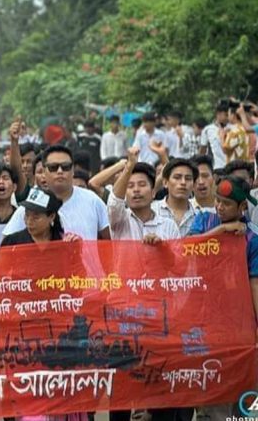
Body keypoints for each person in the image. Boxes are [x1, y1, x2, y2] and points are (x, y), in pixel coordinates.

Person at [187, 175, 258, 420]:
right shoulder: (203, 220)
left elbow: (254, 284)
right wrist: (222, 229)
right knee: (210, 386)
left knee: (240, 385)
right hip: (204, 319)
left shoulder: (251, 241)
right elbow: (186, 247)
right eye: (217, 200)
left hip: (238, 323)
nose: (219, 207)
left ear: (242, 207)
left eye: (226, 203)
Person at [4, 146, 110, 240]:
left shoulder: (92, 199)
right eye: (53, 167)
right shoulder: (32, 204)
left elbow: (111, 238)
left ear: (73, 170)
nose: (60, 171)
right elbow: (7, 242)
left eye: (65, 167)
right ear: (44, 172)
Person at [108, 147, 180, 241]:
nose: (136, 190)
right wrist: (129, 166)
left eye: (142, 185)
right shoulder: (119, 220)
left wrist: (162, 247)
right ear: (125, 194)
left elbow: (177, 254)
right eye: (130, 186)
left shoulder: (169, 226)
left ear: (153, 192)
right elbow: (114, 203)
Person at [1, 188, 80, 246]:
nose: (29, 221)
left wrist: (75, 248)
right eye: (27, 215)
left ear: (51, 216)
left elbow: (76, 267)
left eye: (36, 217)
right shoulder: (12, 243)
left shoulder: (63, 242)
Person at [151, 158, 198, 236]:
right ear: (165, 182)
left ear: (193, 185)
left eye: (188, 178)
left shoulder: (200, 216)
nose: (183, 182)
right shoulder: (152, 211)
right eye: (177, 177)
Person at [200, 102, 229, 168]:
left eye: (229, 115)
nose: (228, 118)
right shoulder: (208, 129)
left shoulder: (233, 128)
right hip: (216, 168)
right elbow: (202, 150)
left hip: (230, 167)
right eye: (226, 115)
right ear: (218, 114)